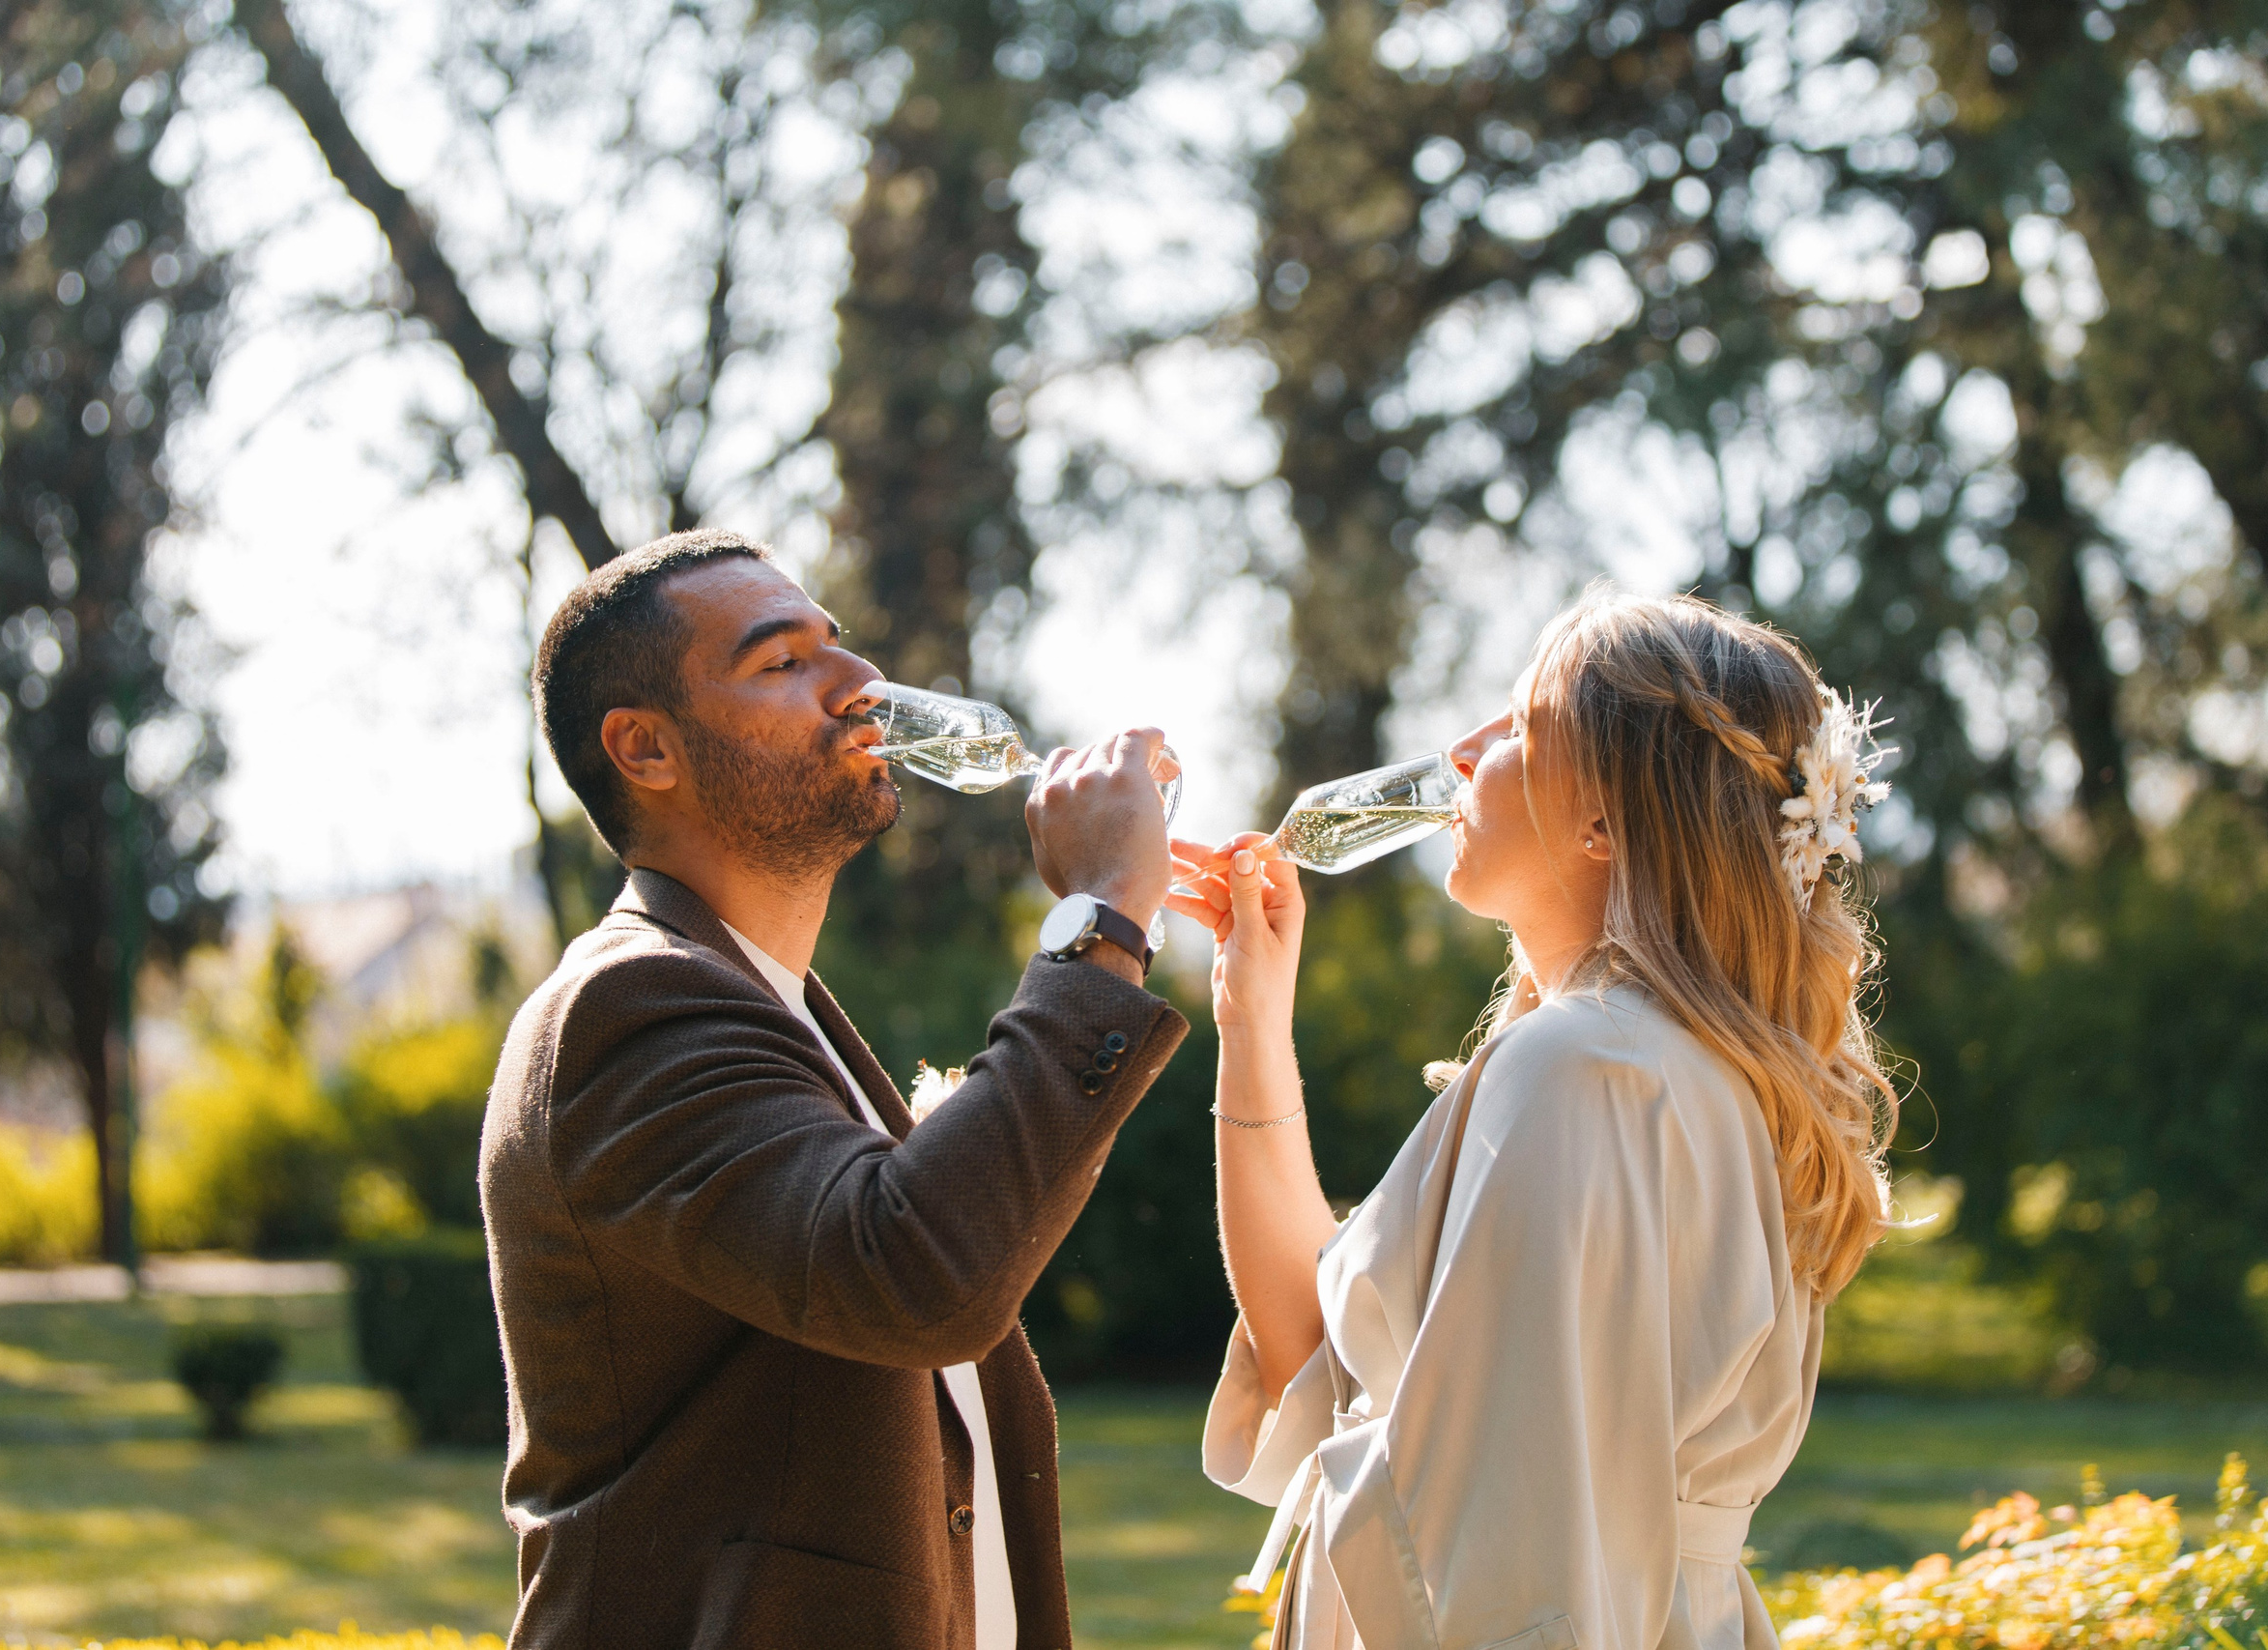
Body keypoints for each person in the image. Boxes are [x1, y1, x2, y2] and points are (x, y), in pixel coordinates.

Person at [482, 528, 1188, 1649]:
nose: (859, 685)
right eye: (782, 663)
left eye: (837, 647)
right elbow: (912, 1276)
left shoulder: (775, 1010)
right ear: (646, 750)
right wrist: (1101, 920)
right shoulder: (629, 1011)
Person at [1167, 593, 1897, 1650]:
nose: (1462, 752)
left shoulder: (1587, 1073)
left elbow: (1513, 1574)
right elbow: (1323, 1366)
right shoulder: (1640, 1063)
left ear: (1604, 817)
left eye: (1514, 725)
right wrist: (1252, 1021)